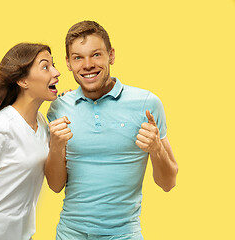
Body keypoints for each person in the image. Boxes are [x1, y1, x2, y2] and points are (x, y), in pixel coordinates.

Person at [46, 21, 178, 240]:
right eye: (78, 57)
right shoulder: (60, 107)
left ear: (111, 55)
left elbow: (168, 183)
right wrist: (56, 146)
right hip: (70, 233)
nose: (87, 65)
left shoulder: (147, 103)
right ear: (68, 63)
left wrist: (156, 149)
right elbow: (55, 185)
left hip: (124, 234)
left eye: (96, 55)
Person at [0, 43, 72, 240]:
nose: (57, 72)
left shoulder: (42, 124)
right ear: (22, 81)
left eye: (54, 65)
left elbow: (55, 183)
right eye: (46, 67)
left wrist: (68, 108)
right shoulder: (1, 127)